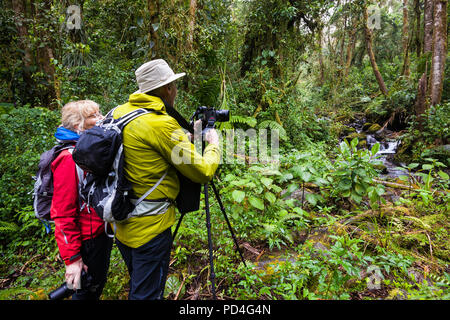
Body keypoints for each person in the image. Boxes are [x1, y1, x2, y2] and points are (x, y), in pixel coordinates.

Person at [112, 59, 221, 300]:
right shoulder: (160, 124)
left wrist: (186, 135)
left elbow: (146, 148)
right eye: (173, 85)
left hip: (120, 222)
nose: (175, 90)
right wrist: (212, 144)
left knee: (140, 284)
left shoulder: (120, 113)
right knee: (147, 295)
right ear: (166, 89)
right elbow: (202, 171)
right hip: (150, 228)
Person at [51, 100, 113, 300]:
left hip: (99, 232)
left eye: (99, 113)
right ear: (78, 125)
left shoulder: (88, 151)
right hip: (87, 240)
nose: (101, 118)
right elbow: (62, 213)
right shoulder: (69, 159)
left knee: (95, 287)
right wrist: (72, 259)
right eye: (93, 116)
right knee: (87, 292)